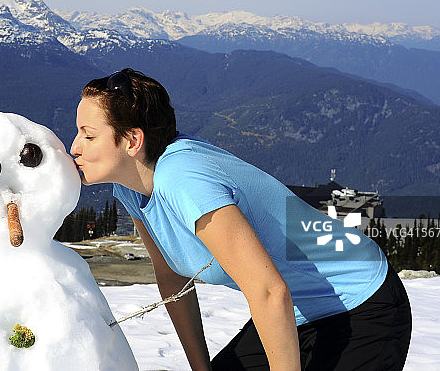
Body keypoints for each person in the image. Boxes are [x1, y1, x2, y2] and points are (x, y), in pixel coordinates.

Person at [70, 68, 411, 371]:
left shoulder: (184, 180)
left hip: (361, 304)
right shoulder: (131, 186)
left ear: (132, 140)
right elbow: (172, 278)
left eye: (89, 135)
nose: (75, 147)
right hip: (295, 313)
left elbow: (270, 291)